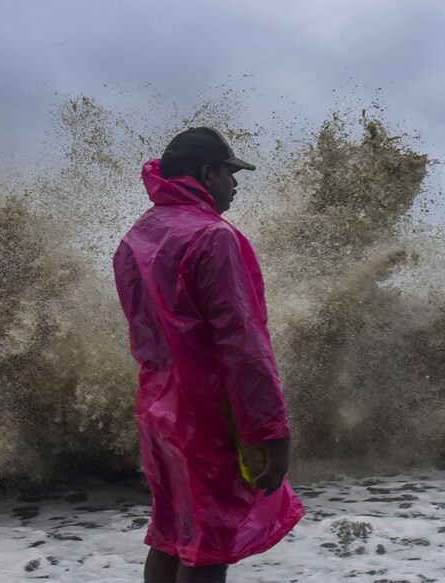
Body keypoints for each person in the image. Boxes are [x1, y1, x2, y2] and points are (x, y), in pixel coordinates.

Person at [113, 127, 305, 582]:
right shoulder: (213, 236)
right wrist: (270, 430)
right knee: (209, 544)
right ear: (206, 173)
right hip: (205, 412)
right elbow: (242, 344)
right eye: (229, 173)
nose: (235, 184)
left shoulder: (136, 237)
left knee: (171, 532)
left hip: (158, 409)